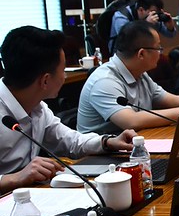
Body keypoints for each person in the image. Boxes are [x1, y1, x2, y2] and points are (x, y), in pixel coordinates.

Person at [0, 26, 136, 193]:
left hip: (31, 195)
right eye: (63, 70)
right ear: (45, 81)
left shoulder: (37, 107)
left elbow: (70, 141)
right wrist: (14, 178)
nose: (64, 76)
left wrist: (107, 142)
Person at [78, 20, 179, 134]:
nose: (161, 53)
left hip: (135, 143)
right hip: (98, 158)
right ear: (141, 54)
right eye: (158, 48)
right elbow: (131, 121)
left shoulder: (140, 73)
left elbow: (171, 99)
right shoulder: (105, 81)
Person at [108, 0, 176, 54]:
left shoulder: (152, 17)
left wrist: (170, 27)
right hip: (124, 54)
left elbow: (170, 35)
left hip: (145, 52)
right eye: (152, 11)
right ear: (141, 10)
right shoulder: (121, 17)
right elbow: (127, 41)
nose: (154, 14)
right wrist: (146, 24)